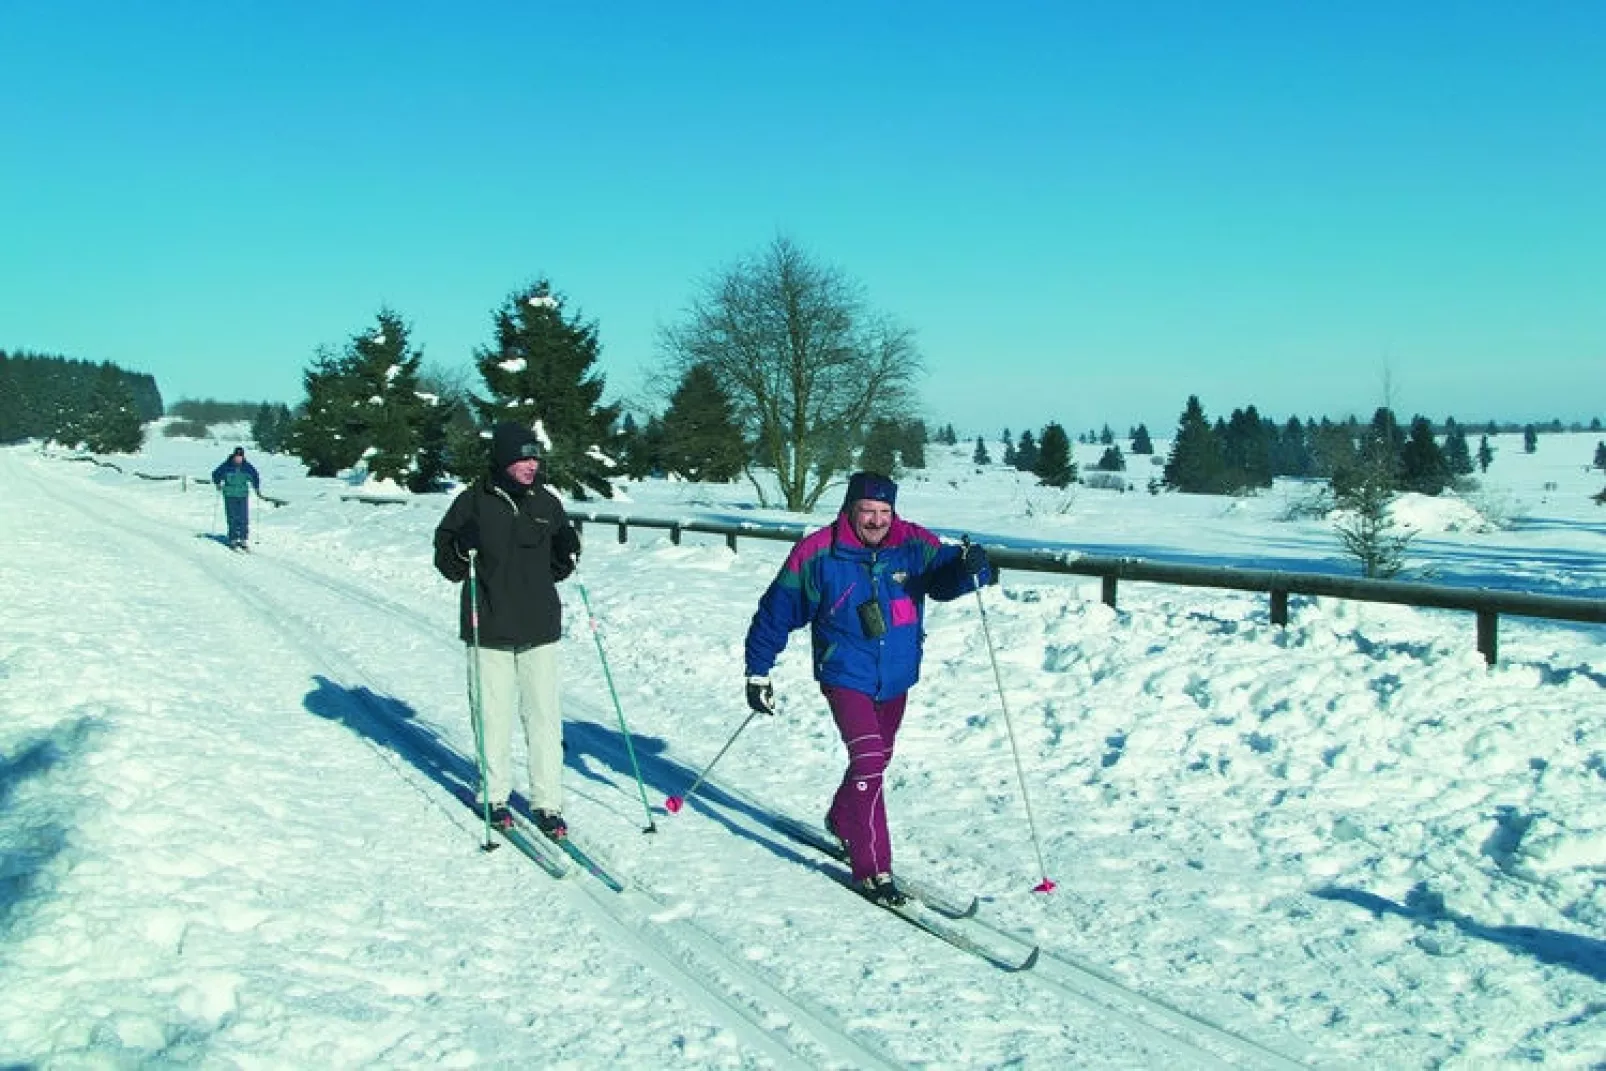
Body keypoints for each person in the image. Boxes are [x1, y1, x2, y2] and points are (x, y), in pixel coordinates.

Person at [743, 471, 993, 905]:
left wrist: (975, 566)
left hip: (896, 676)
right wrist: (758, 671)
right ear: (850, 509)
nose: (876, 520)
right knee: (869, 758)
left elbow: (945, 578)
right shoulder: (817, 553)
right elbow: (776, 610)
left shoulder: (912, 543)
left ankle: (844, 818)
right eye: (867, 511)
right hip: (845, 673)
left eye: (884, 511)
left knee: (875, 761)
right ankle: (872, 868)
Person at [433, 423, 581, 840]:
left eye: (535, 457)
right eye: (523, 457)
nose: (531, 465)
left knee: (545, 719)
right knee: (492, 715)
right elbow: (447, 563)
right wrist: (461, 545)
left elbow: (556, 565)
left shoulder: (546, 503)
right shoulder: (472, 502)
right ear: (502, 459)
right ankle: (494, 795)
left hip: (539, 627)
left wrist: (569, 550)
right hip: (490, 627)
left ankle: (547, 803)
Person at [211, 446, 261, 549]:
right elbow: (216, 474)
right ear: (234, 456)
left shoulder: (246, 467)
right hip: (229, 495)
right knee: (232, 517)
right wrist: (218, 483)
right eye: (237, 456)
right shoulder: (227, 466)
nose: (238, 458)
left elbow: (255, 476)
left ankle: (243, 539)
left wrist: (256, 487)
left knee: (243, 517)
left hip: (242, 495)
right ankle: (233, 538)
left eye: (240, 456)